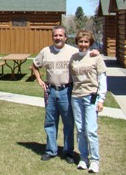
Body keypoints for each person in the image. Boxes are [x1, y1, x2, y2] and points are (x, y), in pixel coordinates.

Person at [32, 25, 99, 164]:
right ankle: (51, 150)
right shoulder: (46, 51)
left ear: (65, 37)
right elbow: (34, 65)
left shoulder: (73, 52)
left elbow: (86, 53)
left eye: (60, 35)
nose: (58, 38)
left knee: (68, 123)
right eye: (55, 35)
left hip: (67, 91)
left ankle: (68, 152)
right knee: (50, 122)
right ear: (52, 37)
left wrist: (95, 52)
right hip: (50, 91)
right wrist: (39, 79)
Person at [69, 29, 107, 173]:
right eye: (80, 41)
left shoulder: (96, 57)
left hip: (91, 96)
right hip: (76, 96)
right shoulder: (73, 58)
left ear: (90, 42)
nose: (83, 44)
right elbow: (73, 78)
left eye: (86, 41)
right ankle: (83, 158)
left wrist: (101, 99)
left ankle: (95, 160)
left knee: (91, 130)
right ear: (77, 42)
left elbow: (102, 78)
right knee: (80, 130)